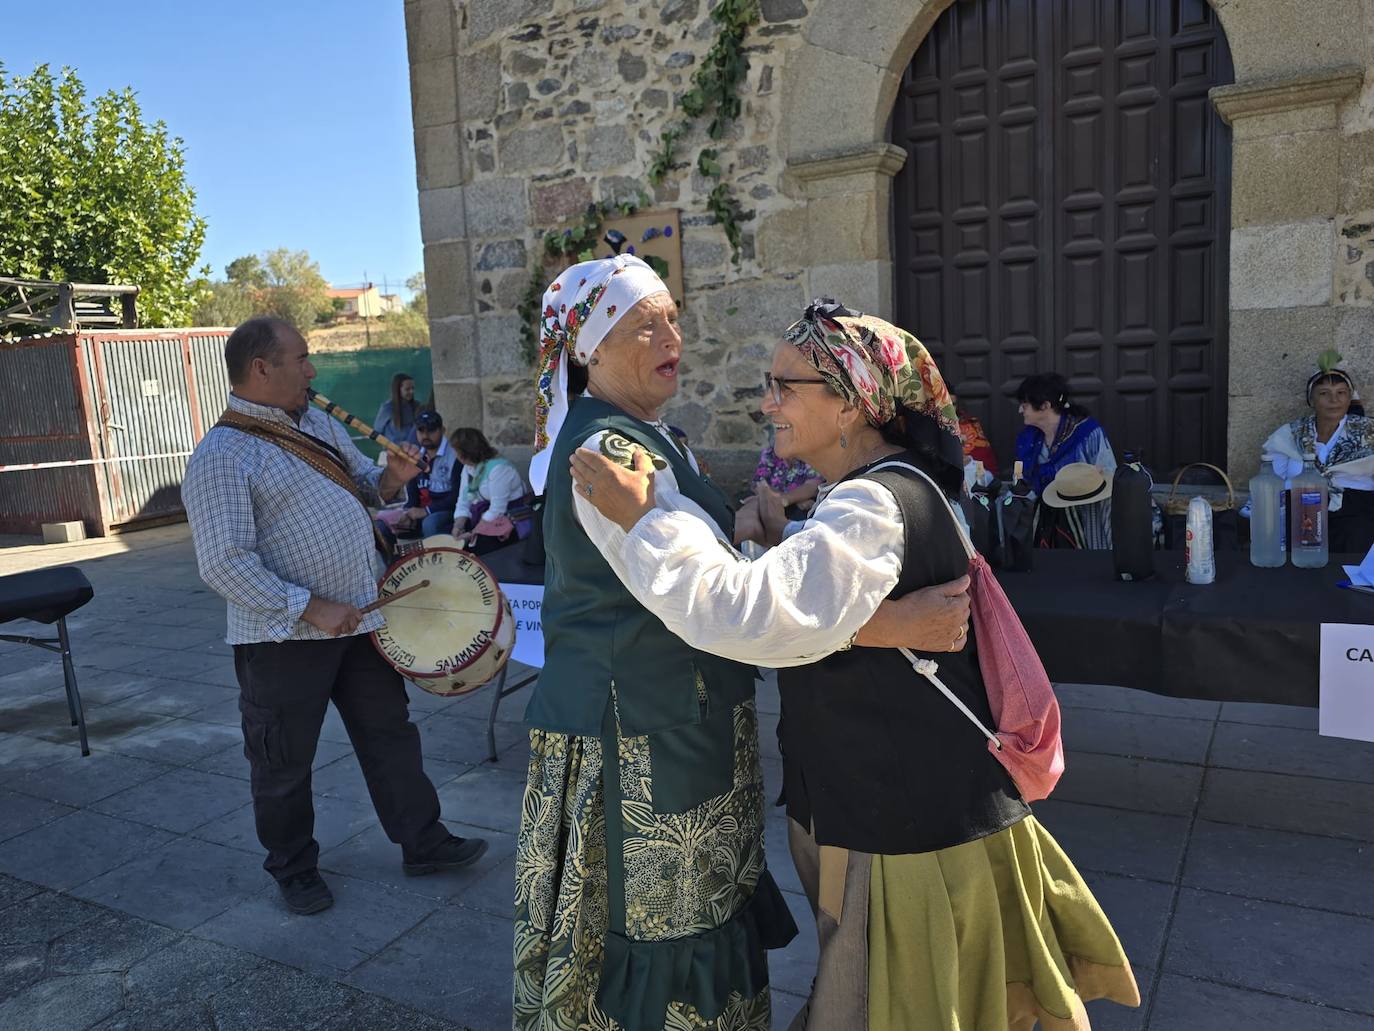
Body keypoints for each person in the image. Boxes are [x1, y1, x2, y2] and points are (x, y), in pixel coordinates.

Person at [570, 299, 1139, 1031]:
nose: (767, 403)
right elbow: (817, 598)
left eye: (785, 385)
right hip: (895, 806)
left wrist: (644, 519)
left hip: (903, 820)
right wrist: (798, 554)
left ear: (850, 405)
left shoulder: (871, 506)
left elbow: (746, 612)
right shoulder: (875, 493)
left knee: (889, 1007)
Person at [514, 259, 975, 1031]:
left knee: (699, 919)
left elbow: (704, 579)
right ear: (591, 348)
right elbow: (723, 603)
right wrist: (883, 623)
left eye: (672, 315)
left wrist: (744, 540)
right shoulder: (612, 454)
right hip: (641, 741)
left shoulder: (650, 437)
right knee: (662, 935)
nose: (674, 335)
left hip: (678, 728)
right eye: (644, 324)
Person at [182, 317, 487, 917]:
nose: (313, 371)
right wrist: (309, 606)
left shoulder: (318, 422)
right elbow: (222, 563)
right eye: (301, 359)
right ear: (261, 369)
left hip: (361, 620)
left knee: (390, 735)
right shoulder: (221, 454)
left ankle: (422, 840)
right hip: (282, 638)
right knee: (282, 761)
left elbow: (363, 485)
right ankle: (293, 869)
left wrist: (390, 478)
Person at [1262, 356, 1374, 554]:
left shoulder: (1369, 433)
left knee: (1354, 542)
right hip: (1299, 507)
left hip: (1355, 510)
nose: (1334, 400)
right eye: (1324, 393)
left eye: (1341, 393)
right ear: (1311, 400)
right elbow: (1273, 481)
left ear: (1350, 398)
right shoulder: (1290, 434)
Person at [1014, 373, 1116, 549]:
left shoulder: (1088, 433)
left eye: (1025, 405)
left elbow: (1109, 475)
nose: (1021, 410)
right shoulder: (1028, 439)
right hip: (1045, 511)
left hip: (1086, 511)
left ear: (1045, 406)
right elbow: (1025, 480)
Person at [374, 409, 460, 545]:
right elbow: (413, 492)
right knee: (381, 520)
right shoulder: (417, 454)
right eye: (421, 430)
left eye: (431, 430)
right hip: (422, 510)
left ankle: (436, 563)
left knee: (430, 523)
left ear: (442, 430)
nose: (425, 435)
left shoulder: (455, 455)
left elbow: (457, 496)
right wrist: (408, 512)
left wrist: (425, 511)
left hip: (448, 510)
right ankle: (395, 563)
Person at [449, 427, 529, 555]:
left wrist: (473, 533)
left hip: (508, 519)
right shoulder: (468, 468)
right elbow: (463, 501)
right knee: (452, 539)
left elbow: (497, 509)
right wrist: (458, 526)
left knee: (479, 546)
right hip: (483, 516)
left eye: (456, 451)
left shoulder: (499, 469)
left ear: (466, 452)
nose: (455, 455)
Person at [952, 392, 999, 475]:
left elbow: (984, 463)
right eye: (945, 406)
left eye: (953, 404)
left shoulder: (970, 425)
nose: (951, 409)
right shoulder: (929, 427)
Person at [375, 371, 420, 445]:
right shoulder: (387, 408)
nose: (411, 391)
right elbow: (377, 430)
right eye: (407, 389)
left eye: (413, 388)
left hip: (414, 451)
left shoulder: (417, 406)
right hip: (394, 451)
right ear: (397, 389)